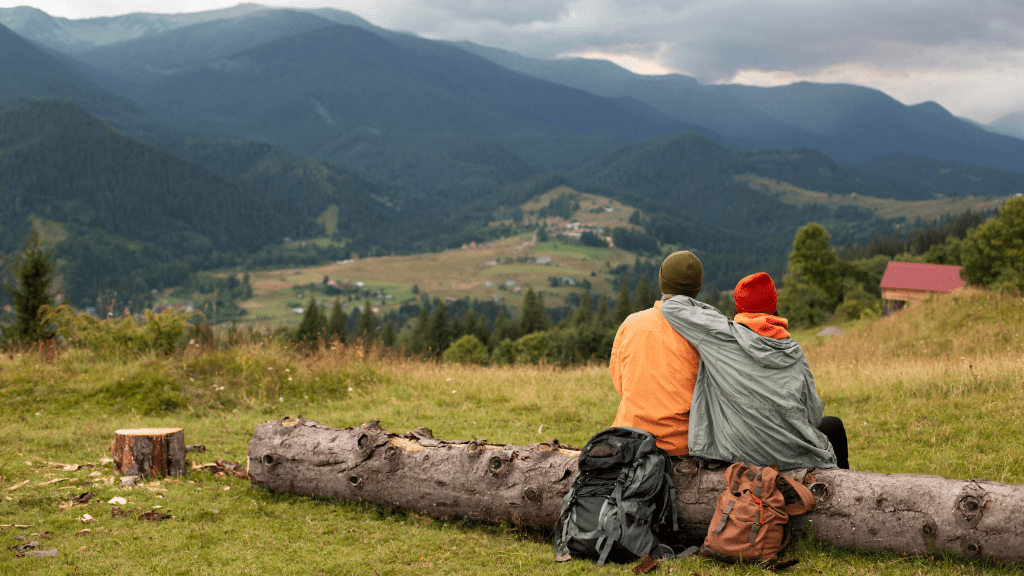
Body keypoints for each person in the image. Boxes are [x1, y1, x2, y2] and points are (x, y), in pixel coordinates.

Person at [659, 272, 847, 469]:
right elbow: (814, 417)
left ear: (739, 308)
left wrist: (721, 319)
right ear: (774, 307)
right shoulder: (793, 353)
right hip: (789, 458)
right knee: (833, 425)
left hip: (734, 453)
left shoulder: (719, 338)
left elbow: (672, 306)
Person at [609, 251, 703, 456]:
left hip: (629, 440)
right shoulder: (707, 330)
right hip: (684, 445)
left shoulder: (632, 323)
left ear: (662, 282)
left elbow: (620, 383)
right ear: (697, 288)